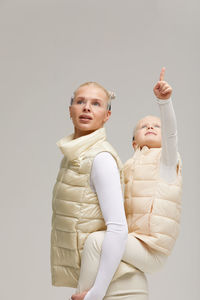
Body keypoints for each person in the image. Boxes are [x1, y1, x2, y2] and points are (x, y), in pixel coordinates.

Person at [71, 67, 182, 300]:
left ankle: (86, 296)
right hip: (132, 243)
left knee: (95, 242)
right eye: (143, 126)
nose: (151, 127)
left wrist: (164, 102)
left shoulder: (167, 163)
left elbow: (171, 136)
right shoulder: (128, 166)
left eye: (156, 126)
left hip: (152, 249)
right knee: (96, 239)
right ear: (134, 143)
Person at [50, 82, 148, 300]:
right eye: (80, 101)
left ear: (107, 115)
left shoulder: (100, 158)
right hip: (97, 281)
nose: (86, 108)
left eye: (96, 104)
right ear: (70, 110)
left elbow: (117, 228)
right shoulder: (72, 157)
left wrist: (96, 293)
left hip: (118, 287)